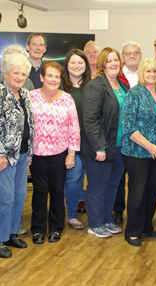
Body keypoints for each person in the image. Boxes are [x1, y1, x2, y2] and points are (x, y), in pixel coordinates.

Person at [0, 52, 35, 258]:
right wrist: (0, 154)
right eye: (15, 73)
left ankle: (11, 233)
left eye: (23, 73)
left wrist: (30, 151)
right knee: (5, 198)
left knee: (19, 196)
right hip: (0, 156)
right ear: (5, 73)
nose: (19, 77)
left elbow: (30, 125)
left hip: (21, 154)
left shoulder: (25, 94)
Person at [121, 57, 156, 247]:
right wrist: (149, 145)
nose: (152, 74)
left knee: (153, 191)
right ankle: (133, 231)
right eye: (148, 71)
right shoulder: (134, 93)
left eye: (155, 71)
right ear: (142, 74)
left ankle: (147, 227)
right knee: (137, 192)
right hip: (137, 152)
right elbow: (127, 127)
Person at [29, 62, 80, 244]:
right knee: (40, 191)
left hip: (60, 153)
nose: (53, 80)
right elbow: (26, 127)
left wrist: (71, 153)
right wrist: (27, 153)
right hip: (37, 154)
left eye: (57, 76)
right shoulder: (31, 97)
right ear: (42, 77)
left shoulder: (67, 99)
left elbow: (74, 128)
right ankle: (38, 230)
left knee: (57, 191)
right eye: (49, 76)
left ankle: (56, 228)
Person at [81, 47, 129, 238]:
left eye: (116, 60)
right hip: (100, 148)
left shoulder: (123, 86)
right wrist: (99, 147)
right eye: (109, 61)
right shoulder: (95, 85)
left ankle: (107, 219)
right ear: (102, 64)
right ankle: (95, 223)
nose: (114, 64)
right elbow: (90, 120)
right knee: (97, 186)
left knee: (113, 185)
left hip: (120, 147)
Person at [114, 41, 143, 224]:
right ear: (122, 56)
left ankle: (136, 212)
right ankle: (118, 211)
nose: (132, 55)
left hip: (141, 135)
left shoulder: (146, 74)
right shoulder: (115, 77)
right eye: (128, 53)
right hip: (120, 134)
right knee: (118, 177)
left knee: (137, 179)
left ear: (140, 55)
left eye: (135, 52)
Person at [62, 49, 92, 230]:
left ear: (86, 66)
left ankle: (96, 212)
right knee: (73, 178)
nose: (76, 66)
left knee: (92, 179)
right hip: (68, 144)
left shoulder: (92, 86)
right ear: (67, 65)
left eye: (80, 63)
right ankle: (71, 215)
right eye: (73, 62)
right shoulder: (60, 87)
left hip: (89, 141)